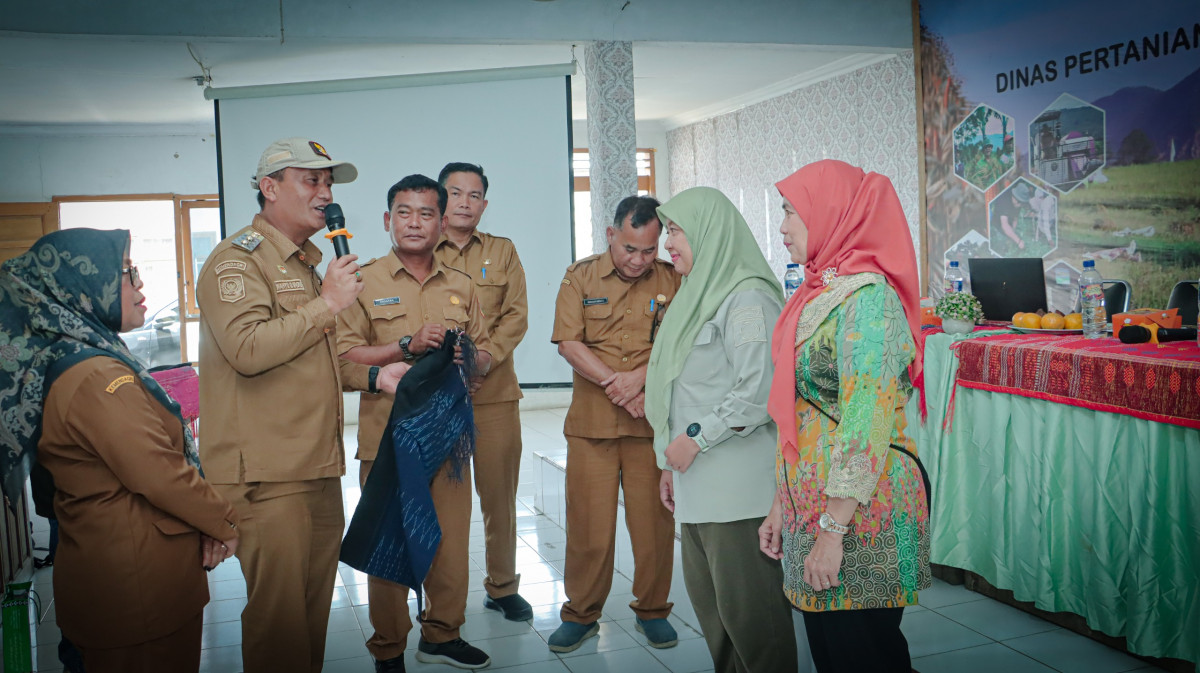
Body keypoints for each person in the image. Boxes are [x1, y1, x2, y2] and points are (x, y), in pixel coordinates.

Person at [197, 137, 407, 673]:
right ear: (269, 188)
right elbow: (248, 351)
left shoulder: (307, 265)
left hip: (315, 465)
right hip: (268, 473)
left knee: (311, 615)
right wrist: (328, 303)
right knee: (280, 623)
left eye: (329, 182)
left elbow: (313, 358)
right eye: (311, 180)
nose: (326, 194)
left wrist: (375, 375)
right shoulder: (236, 261)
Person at [0, 229, 239, 672]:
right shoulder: (95, 376)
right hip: (137, 593)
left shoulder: (77, 356)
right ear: (84, 286)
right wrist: (222, 521)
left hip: (126, 580)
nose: (139, 283)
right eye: (127, 271)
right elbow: (159, 473)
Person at [759, 159, 931, 673]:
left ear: (830, 213)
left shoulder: (870, 300)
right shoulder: (819, 290)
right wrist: (781, 504)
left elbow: (866, 422)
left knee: (865, 655)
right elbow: (800, 411)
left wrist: (832, 531)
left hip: (863, 511)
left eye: (791, 211)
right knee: (832, 654)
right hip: (814, 504)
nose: (782, 226)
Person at [338, 174, 495, 672]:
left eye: (426, 214)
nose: (414, 222)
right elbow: (342, 359)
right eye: (404, 212)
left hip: (447, 440)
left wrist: (470, 359)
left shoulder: (462, 285)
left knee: (449, 543)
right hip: (387, 440)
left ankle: (443, 635)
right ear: (388, 220)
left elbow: (485, 352)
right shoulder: (362, 283)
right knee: (389, 543)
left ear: (442, 223)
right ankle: (388, 647)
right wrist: (405, 345)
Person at [646, 187, 799, 672]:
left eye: (675, 231)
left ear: (708, 232)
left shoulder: (747, 298)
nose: (667, 243)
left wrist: (696, 439)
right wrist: (668, 462)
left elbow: (758, 389)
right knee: (718, 624)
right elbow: (679, 387)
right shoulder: (697, 295)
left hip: (737, 497)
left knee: (755, 627)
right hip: (698, 488)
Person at [548, 196, 681, 652]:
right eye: (629, 249)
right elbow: (569, 343)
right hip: (593, 426)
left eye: (648, 250)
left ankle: (653, 609)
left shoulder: (672, 279)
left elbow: (680, 343)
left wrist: (640, 380)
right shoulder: (580, 276)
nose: (638, 260)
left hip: (650, 424)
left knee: (654, 526)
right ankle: (581, 614)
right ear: (611, 235)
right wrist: (616, 385)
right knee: (589, 527)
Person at [434, 162, 533, 621]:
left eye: (474, 196)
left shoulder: (502, 251)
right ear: (440, 198)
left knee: (499, 497)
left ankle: (502, 586)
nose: (465, 203)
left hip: (494, 394)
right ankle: (443, 598)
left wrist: (484, 358)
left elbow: (516, 314)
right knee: (444, 502)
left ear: (484, 204)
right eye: (455, 193)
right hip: (439, 396)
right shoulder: (419, 249)